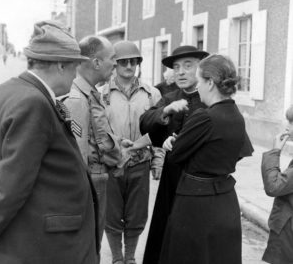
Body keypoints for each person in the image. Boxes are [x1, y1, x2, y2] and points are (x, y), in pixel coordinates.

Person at [0, 20, 99, 263]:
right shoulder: (34, 103)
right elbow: (11, 187)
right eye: (74, 68)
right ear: (61, 65)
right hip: (49, 245)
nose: (75, 77)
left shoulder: (5, 91)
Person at [150, 54, 253, 264]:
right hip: (225, 200)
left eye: (200, 82)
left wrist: (176, 143)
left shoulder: (205, 116)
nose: (198, 89)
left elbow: (176, 155)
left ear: (210, 83)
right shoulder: (236, 115)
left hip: (196, 204)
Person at [141, 45, 209, 264]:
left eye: (187, 66)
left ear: (200, 68)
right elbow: (145, 123)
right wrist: (165, 112)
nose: (180, 72)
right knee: (165, 231)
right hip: (171, 179)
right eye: (177, 67)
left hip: (199, 180)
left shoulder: (211, 97)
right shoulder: (170, 97)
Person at [64, 35, 132, 249]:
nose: (115, 63)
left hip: (98, 178)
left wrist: (118, 143)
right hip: (90, 181)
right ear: (96, 62)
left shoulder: (89, 93)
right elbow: (79, 152)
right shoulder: (77, 98)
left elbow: (97, 135)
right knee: (89, 244)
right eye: (112, 58)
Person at [100, 40, 163, 264]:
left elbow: (159, 132)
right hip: (112, 165)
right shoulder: (101, 95)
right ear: (114, 65)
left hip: (140, 163)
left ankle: (130, 257)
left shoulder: (151, 94)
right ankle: (117, 258)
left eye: (133, 61)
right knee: (112, 215)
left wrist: (158, 162)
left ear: (138, 64)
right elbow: (96, 132)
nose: (129, 66)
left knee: (137, 216)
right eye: (123, 62)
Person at [261, 105, 293, 264]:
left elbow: (273, 186)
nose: (287, 126)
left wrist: (274, 151)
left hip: (288, 230)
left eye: (292, 122)